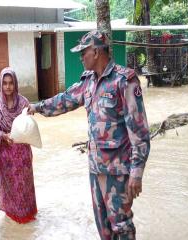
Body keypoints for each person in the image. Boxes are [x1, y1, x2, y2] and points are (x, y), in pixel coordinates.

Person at [28, 30, 150, 240]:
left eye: (83, 52)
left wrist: (136, 173)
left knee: (122, 226)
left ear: (96, 52)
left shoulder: (124, 81)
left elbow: (139, 131)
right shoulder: (88, 82)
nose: (80, 57)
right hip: (95, 168)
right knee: (103, 225)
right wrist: (36, 107)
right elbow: (64, 100)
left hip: (118, 171)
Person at [0, 67, 37, 224]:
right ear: (1, 84)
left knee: (24, 186)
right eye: (4, 83)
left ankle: (26, 216)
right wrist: (3, 136)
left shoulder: (24, 102)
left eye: (11, 83)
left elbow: (29, 127)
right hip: (6, 153)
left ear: (15, 83)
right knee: (9, 187)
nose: (8, 87)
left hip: (22, 152)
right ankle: (12, 217)